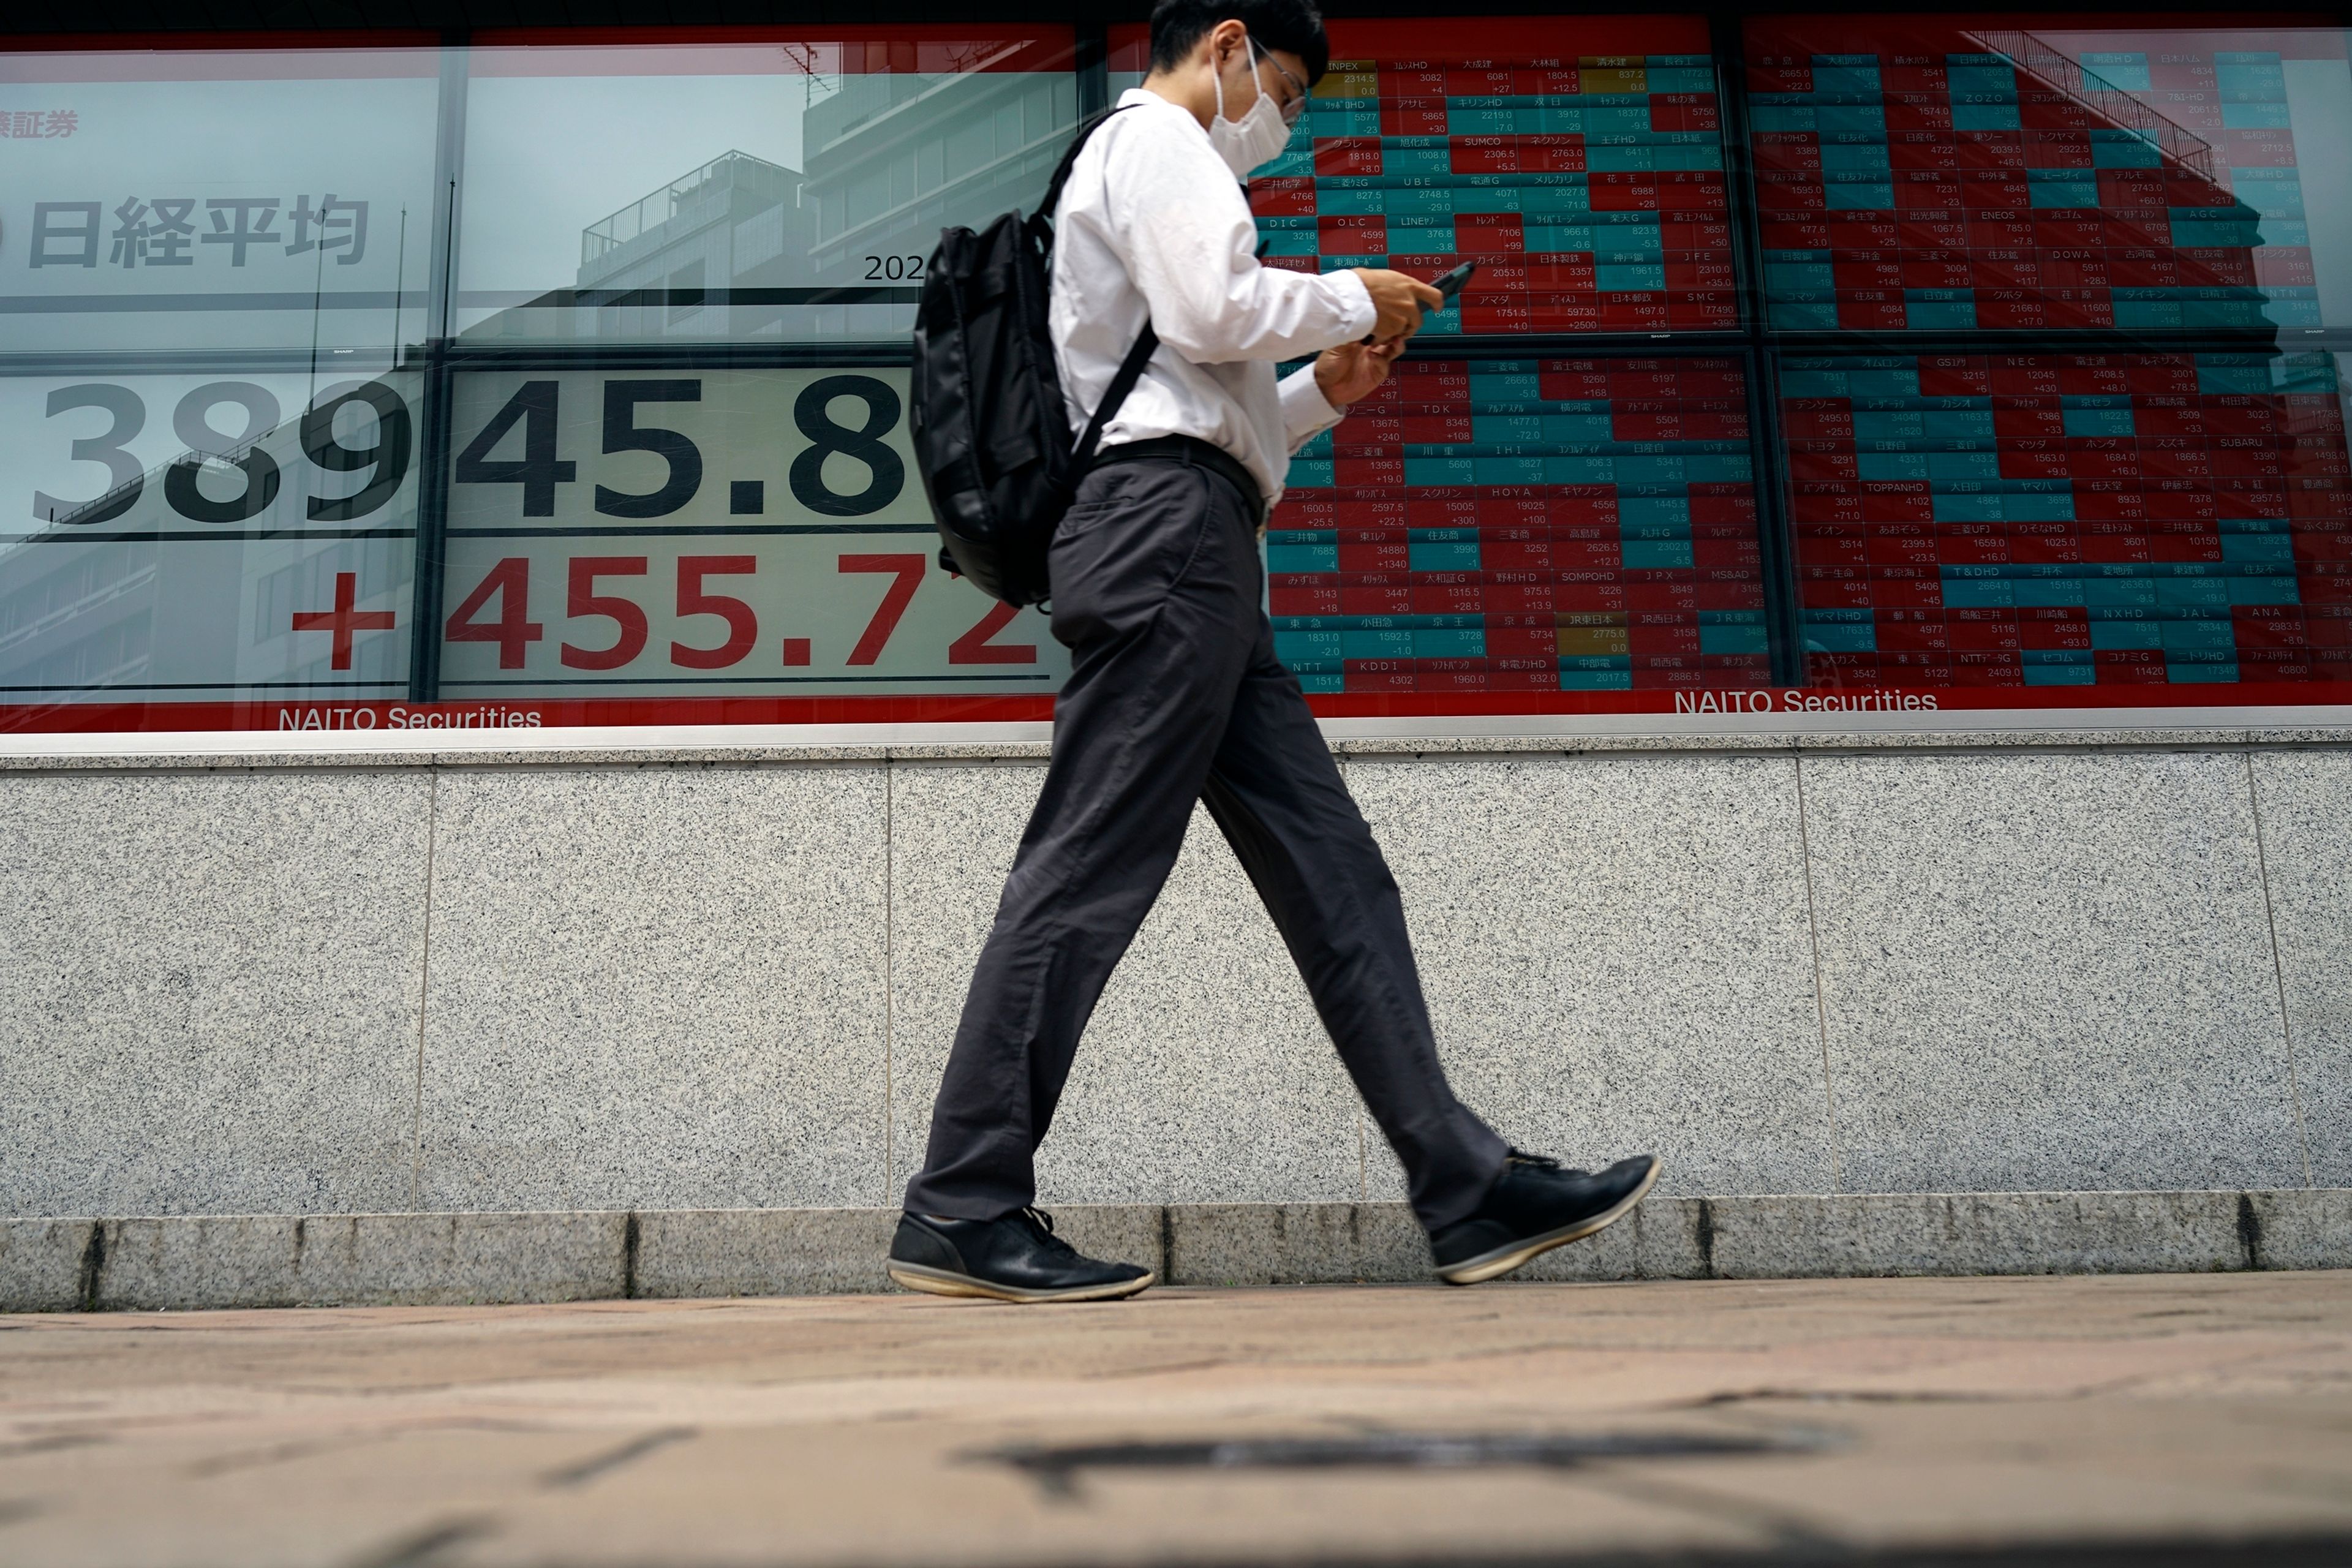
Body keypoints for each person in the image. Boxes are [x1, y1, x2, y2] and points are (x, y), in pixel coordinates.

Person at [887, 0, 1658, 1303]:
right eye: (1285, 90)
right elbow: (1213, 310)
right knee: (1089, 865)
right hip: (1166, 543)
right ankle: (963, 1202)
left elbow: (1199, 404)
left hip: (1196, 542)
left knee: (1334, 871)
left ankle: (1464, 1187)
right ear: (1228, 46)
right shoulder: (1157, 138)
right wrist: (1359, 289)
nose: (1281, 123)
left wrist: (1323, 390)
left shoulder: (1145, 168)